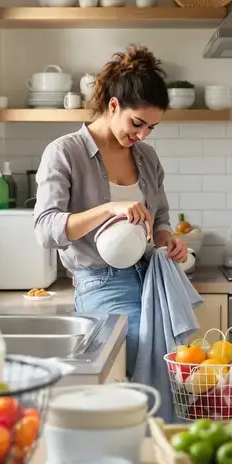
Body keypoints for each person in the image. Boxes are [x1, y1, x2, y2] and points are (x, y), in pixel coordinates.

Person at [33, 45, 189, 376]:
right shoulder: (64, 153)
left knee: (174, 366)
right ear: (113, 105)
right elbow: (46, 229)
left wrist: (167, 239)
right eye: (137, 123)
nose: (143, 134)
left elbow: (159, 217)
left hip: (151, 277)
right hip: (101, 283)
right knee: (134, 360)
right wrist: (108, 209)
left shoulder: (147, 157)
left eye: (151, 128)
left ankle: (162, 430)